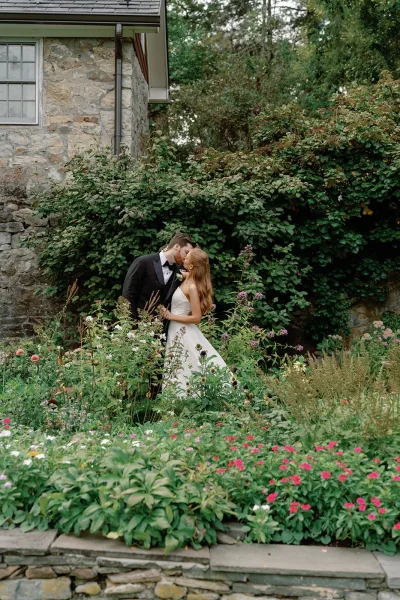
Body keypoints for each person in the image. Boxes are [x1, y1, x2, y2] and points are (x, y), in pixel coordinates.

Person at [162, 247, 226, 391]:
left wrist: (171, 316)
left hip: (182, 329)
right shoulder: (186, 279)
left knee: (187, 362)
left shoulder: (192, 287)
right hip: (175, 328)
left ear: (191, 265)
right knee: (179, 362)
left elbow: (197, 318)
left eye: (187, 256)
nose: (184, 257)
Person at [122, 233, 195, 321]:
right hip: (138, 324)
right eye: (186, 252)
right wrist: (131, 323)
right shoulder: (143, 262)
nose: (187, 257)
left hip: (162, 330)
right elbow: (129, 293)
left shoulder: (179, 273)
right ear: (176, 246)